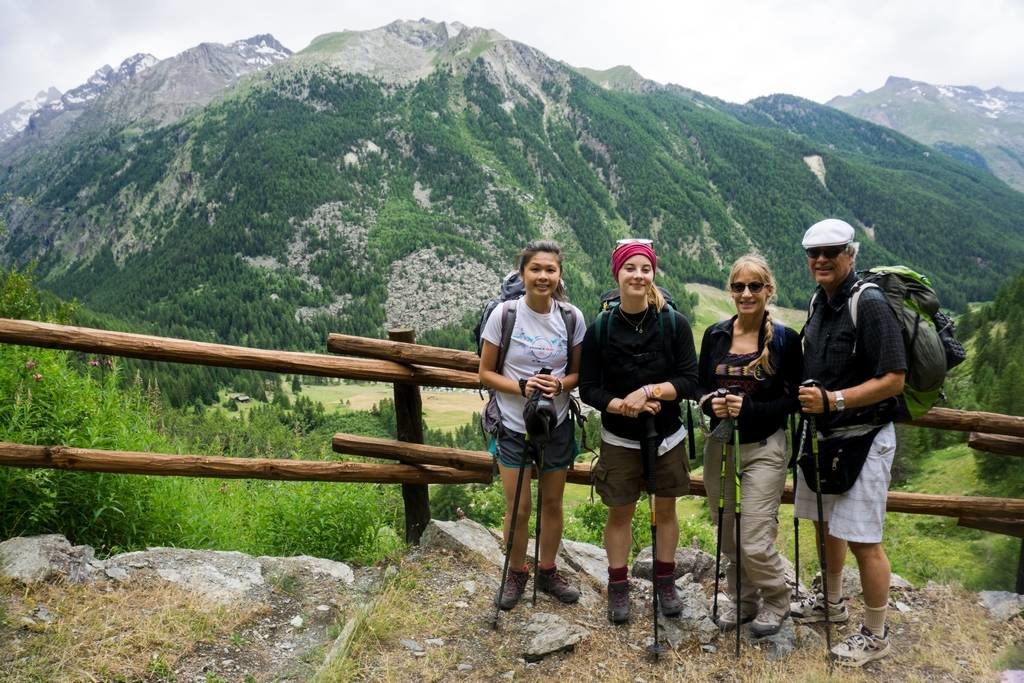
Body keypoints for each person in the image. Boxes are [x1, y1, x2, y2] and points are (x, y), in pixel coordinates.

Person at [790, 218, 906, 667]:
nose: (821, 260)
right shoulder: (821, 301)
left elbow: (894, 379)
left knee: (863, 538)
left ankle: (877, 633)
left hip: (865, 438)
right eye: (813, 253)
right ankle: (832, 602)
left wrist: (833, 400)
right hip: (825, 438)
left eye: (832, 252)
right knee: (826, 524)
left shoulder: (869, 304)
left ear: (851, 255)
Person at [578, 239, 699, 624]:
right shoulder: (600, 329)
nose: (638, 275)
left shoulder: (673, 324)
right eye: (629, 268)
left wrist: (647, 391)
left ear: (653, 275)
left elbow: (689, 380)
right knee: (620, 512)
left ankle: (665, 579)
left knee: (665, 508)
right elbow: (590, 388)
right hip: (619, 436)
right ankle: (618, 584)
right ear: (617, 274)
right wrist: (623, 405)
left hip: (666, 434)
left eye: (644, 269)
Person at [697, 254, 802, 637]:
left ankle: (777, 599)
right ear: (731, 291)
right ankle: (743, 601)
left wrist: (750, 407)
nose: (746, 293)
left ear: (768, 290)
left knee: (755, 539)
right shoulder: (715, 334)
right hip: (720, 443)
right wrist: (712, 402)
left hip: (764, 445)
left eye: (754, 286)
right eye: (738, 286)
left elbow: (794, 399)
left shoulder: (787, 340)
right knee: (726, 531)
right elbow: (700, 385)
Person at [479, 240, 586, 610]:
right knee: (519, 507)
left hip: (555, 423)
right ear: (523, 273)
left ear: (559, 275)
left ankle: (547, 569)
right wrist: (522, 387)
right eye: (536, 269)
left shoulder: (571, 317)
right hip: (512, 424)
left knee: (553, 504)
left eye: (550, 270)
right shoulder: (505, 315)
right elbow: (485, 373)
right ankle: (516, 572)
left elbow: (576, 373)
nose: (543, 276)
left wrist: (560, 385)